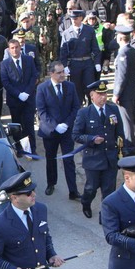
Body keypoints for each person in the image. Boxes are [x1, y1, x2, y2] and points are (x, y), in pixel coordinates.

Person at [72, 80, 124, 219]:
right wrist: (91, 139)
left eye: (105, 93)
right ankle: (86, 202)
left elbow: (120, 133)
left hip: (110, 158)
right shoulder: (84, 113)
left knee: (109, 190)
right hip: (93, 158)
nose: (103, 97)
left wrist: (122, 152)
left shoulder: (113, 110)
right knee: (91, 188)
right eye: (99, 94)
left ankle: (105, 214)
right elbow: (76, 135)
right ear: (92, 96)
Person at [36, 61, 81, 199]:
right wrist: (55, 126)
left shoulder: (70, 86)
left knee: (68, 159)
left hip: (67, 131)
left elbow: (75, 107)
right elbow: (42, 112)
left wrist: (66, 124)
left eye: (63, 72)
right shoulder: (42, 88)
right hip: (50, 131)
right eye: (59, 72)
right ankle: (51, 183)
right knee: (51, 158)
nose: (63, 75)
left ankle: (73, 191)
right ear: (51, 73)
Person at [0, 39, 39, 156]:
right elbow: (5, 82)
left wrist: (27, 92)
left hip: (28, 98)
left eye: (17, 47)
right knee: (17, 126)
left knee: (29, 124)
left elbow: (34, 76)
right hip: (14, 99)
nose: (15, 50)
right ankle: (19, 148)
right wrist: (18, 94)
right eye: (12, 48)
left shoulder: (28, 60)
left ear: (20, 48)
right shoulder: (4, 64)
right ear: (9, 49)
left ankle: (32, 149)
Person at [59, 10, 101, 104]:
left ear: (81, 18)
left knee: (90, 88)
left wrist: (97, 62)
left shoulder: (89, 30)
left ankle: (92, 109)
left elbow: (95, 48)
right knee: (76, 90)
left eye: (76, 18)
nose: (74, 20)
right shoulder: (66, 33)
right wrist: (65, 66)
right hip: (74, 64)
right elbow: (63, 52)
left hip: (87, 63)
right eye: (72, 18)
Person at [112, 25, 135, 156]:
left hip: (126, 92)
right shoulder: (131, 50)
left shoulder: (123, 52)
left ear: (120, 37)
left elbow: (121, 76)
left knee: (127, 120)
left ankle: (129, 146)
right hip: (132, 90)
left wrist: (116, 94)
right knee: (132, 118)